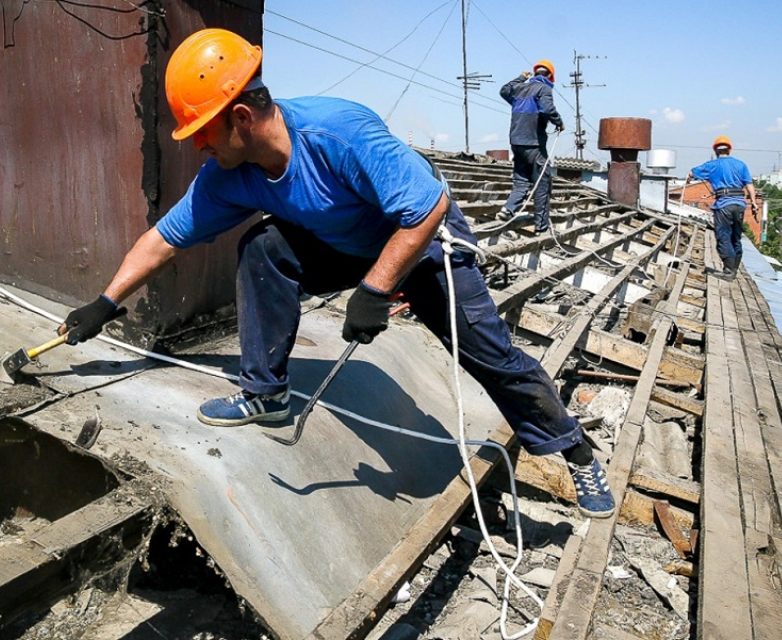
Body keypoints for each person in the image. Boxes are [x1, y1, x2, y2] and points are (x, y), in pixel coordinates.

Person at [58, 29, 615, 518]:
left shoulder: (338, 130)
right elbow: (163, 239)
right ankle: (266, 394)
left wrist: (375, 290)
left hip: (422, 243)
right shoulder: (228, 176)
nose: (199, 147)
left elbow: (425, 211)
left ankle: (574, 450)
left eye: (203, 132)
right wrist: (106, 303)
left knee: (490, 356)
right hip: (346, 247)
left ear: (242, 118)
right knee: (264, 244)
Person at [499, 59, 565, 233]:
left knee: (521, 181)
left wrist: (520, 78)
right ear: (550, 76)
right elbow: (548, 109)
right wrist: (559, 123)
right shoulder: (544, 89)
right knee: (543, 184)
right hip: (533, 143)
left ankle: (508, 209)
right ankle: (541, 228)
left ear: (535, 73)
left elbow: (504, 90)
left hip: (516, 142)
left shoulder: (520, 88)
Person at [687, 136, 758, 280]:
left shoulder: (712, 165)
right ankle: (734, 269)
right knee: (735, 237)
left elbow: (692, 173)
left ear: (715, 150)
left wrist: (689, 177)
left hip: (724, 205)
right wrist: (754, 202)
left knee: (723, 236)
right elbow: (749, 185)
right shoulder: (741, 165)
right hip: (739, 205)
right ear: (729, 150)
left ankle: (728, 272)